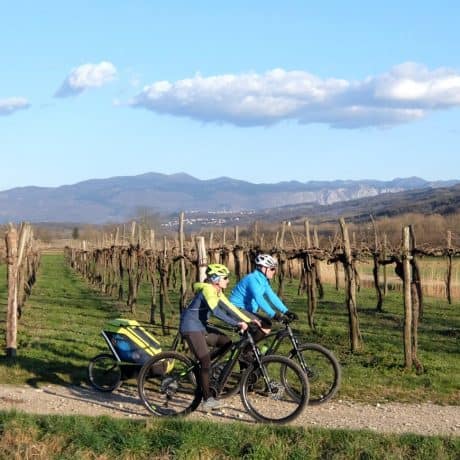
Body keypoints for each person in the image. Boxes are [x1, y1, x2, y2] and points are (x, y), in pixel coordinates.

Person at [179, 263, 257, 411]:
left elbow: (229, 307)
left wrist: (248, 320)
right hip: (191, 327)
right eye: (225, 278)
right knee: (206, 361)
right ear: (216, 279)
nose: (228, 281)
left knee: (227, 342)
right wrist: (237, 324)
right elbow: (216, 311)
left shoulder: (217, 291)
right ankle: (208, 399)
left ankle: (205, 368)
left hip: (201, 326)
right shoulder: (209, 289)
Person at [229, 253, 298, 329]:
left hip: (247, 309)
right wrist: (274, 315)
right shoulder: (253, 279)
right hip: (236, 309)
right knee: (263, 326)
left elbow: (272, 296)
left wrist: (286, 311)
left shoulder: (263, 280)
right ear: (263, 268)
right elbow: (259, 299)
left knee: (266, 325)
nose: (274, 271)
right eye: (272, 269)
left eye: (274, 269)